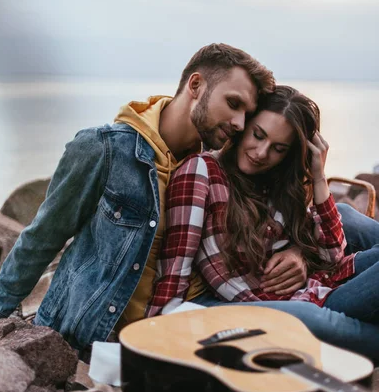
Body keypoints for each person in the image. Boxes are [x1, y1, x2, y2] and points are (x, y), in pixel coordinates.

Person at [0, 43, 277, 353]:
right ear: (196, 85)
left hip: (185, 327)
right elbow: (43, 236)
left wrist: (296, 254)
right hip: (102, 337)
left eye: (247, 114)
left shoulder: (214, 170)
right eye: (233, 103)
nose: (240, 123)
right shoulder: (104, 149)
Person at [147, 86, 379, 362]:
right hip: (274, 306)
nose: (261, 153)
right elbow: (175, 265)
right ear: (244, 126)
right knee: (314, 319)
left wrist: (318, 177)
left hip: (315, 289)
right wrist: (153, 333)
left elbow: (332, 256)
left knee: (343, 219)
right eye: (258, 135)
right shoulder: (201, 172)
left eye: (278, 149)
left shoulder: (277, 181)